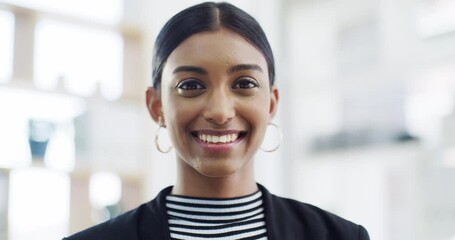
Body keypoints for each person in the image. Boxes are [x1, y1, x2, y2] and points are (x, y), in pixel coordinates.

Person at [64, 2, 369, 239]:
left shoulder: (339, 236)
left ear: (272, 103)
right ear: (157, 106)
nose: (220, 112)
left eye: (245, 84)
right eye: (191, 85)